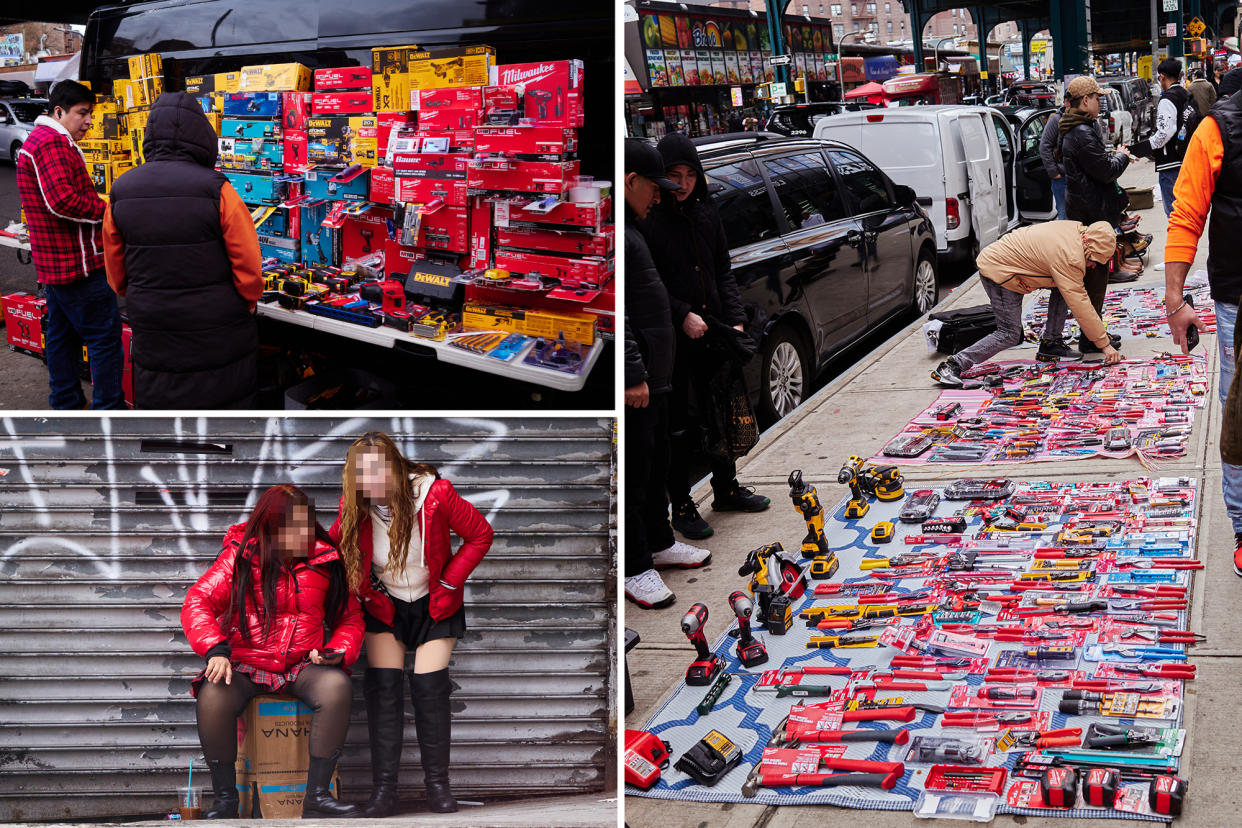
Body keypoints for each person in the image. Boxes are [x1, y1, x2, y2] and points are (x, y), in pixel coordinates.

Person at [329, 431, 492, 815]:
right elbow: (335, 549)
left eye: (379, 473)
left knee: (430, 689)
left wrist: (451, 582)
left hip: (435, 604)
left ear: (395, 468)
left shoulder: (434, 494)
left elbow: (480, 534)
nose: (372, 484)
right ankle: (385, 792)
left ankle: (438, 787)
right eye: (362, 477)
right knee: (383, 690)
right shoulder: (353, 506)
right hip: (384, 607)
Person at [181, 485, 364, 819]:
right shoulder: (240, 557)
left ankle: (317, 797)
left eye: (306, 525)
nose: (303, 535)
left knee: (337, 687)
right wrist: (215, 650)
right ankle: (225, 801)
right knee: (212, 693)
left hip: (301, 664)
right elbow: (198, 601)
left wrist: (338, 649)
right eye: (292, 528)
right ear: (271, 529)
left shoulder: (326, 560)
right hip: (247, 663)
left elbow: (349, 617)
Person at [639, 133, 768, 542]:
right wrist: (683, 315)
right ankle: (682, 504)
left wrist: (734, 320)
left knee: (723, 409)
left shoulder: (707, 211)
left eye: (690, 174)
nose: (683, 183)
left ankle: (726, 487)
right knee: (681, 424)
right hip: (674, 339)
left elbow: (722, 270)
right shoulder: (650, 218)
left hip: (714, 329)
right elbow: (650, 283)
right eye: (674, 175)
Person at [103, 92, 263, 409]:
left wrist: (142, 295)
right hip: (218, 332)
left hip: (154, 328)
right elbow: (249, 267)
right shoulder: (218, 189)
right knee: (222, 423)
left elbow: (116, 274)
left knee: (165, 420)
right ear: (202, 137)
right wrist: (247, 303)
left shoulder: (121, 189)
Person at [1163, 85, 1242, 576]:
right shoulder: (1218, 126)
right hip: (1237, 298)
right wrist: (1175, 298)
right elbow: (1187, 215)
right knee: (1238, 413)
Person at [624, 138, 701, 610]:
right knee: (635, 473)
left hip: (657, 373)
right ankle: (635, 566)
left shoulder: (635, 228)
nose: (660, 197)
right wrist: (633, 373)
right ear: (632, 181)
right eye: (654, 187)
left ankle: (658, 542)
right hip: (640, 378)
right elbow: (621, 313)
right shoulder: (620, 232)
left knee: (654, 467)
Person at [14, 80, 124, 410]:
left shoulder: (45, 140)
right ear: (59, 111)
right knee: (104, 340)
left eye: (90, 113)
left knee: (62, 338)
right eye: (83, 113)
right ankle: (109, 415)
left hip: (58, 265)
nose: (89, 121)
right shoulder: (51, 142)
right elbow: (61, 201)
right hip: (78, 264)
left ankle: (66, 403)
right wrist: (109, 212)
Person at [931, 221, 1122, 387]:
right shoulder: (1070, 256)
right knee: (1009, 333)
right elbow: (1080, 304)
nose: (1094, 266)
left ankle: (1051, 344)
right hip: (999, 270)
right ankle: (953, 364)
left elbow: (1072, 292)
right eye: (1094, 260)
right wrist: (1104, 345)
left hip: (1011, 263)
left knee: (1064, 288)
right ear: (1090, 248)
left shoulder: (1077, 232)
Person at [1057, 75, 1132, 353]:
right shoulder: (1081, 132)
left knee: (1094, 276)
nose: (1100, 102)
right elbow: (1105, 170)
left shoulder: (1075, 128)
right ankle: (1091, 337)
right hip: (1091, 212)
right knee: (1096, 276)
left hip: (1085, 208)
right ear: (1085, 100)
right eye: (1097, 97)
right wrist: (1122, 156)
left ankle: (1093, 332)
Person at [1150, 59, 1199, 221]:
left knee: (1174, 214)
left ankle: (1179, 245)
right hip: (1187, 159)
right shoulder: (1188, 95)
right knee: (1186, 210)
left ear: (1162, 77)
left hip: (1170, 163)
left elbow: (1165, 131)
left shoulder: (1167, 99)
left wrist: (1149, 146)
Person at [1039, 97, 1068, 219]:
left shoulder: (1085, 120)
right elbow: (1044, 147)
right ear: (1067, 102)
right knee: (1065, 216)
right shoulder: (1056, 120)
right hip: (1062, 178)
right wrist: (1054, 173)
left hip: (1076, 178)